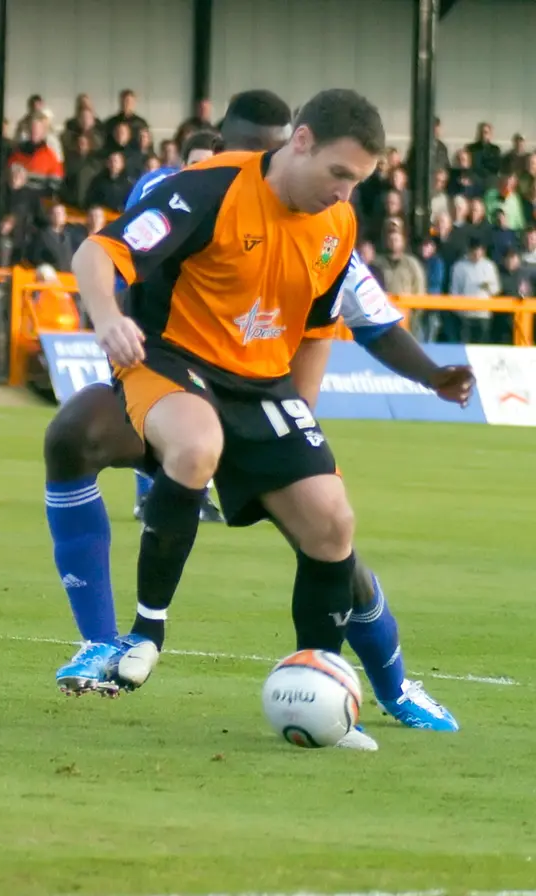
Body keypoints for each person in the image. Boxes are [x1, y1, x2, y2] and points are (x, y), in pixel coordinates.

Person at [45, 90, 470, 743]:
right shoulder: (207, 190)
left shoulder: (338, 223)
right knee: (190, 443)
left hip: (263, 386)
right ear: (300, 142)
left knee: (332, 525)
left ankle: (324, 681)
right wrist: (108, 320)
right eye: (338, 174)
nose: (344, 192)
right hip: (173, 360)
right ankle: (144, 635)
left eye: (357, 181)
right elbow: (95, 254)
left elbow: (322, 326)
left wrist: (323, 420)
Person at [120, 129, 226, 523]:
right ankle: (148, 494)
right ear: (182, 164)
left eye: (208, 164)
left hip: (201, 319)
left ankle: (196, 493)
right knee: (150, 405)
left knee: (205, 405)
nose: (200, 171)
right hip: (150, 315)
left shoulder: (226, 193)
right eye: (194, 163)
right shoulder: (157, 188)